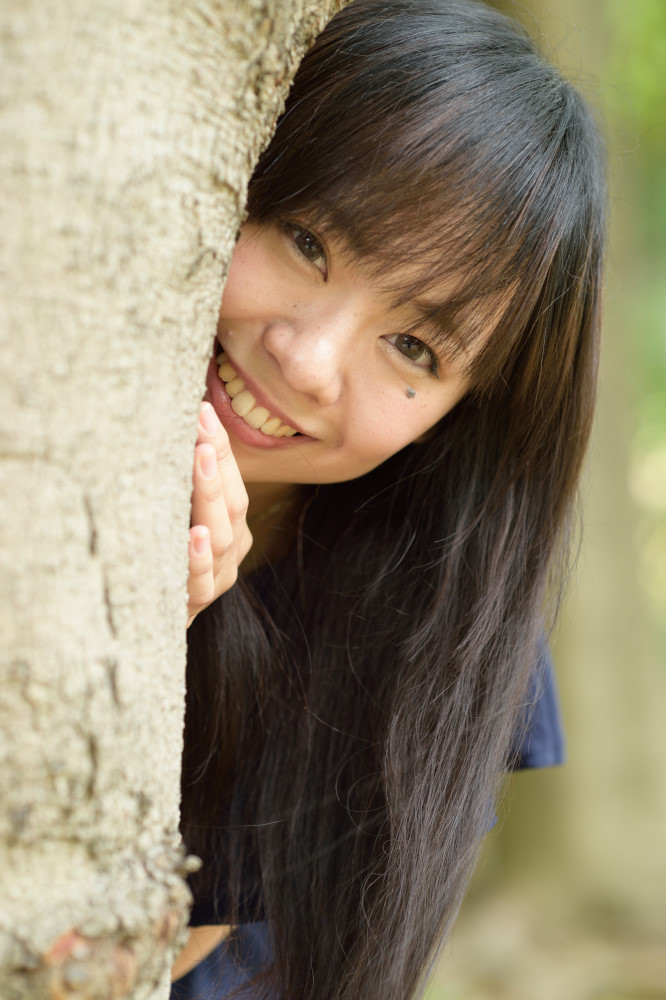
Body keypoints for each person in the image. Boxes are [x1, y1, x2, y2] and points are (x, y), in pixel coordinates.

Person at [171, 1, 606, 998]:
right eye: (308, 239)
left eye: (415, 348)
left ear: (459, 418)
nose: (308, 358)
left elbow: (112, 970)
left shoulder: (429, 649)